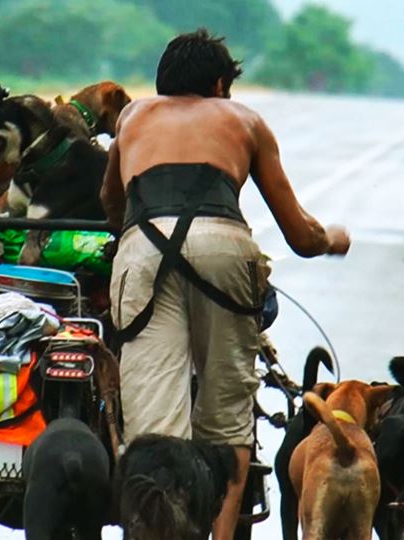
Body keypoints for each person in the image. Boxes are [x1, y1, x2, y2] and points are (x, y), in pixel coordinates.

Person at [100, 29, 350, 539]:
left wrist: (134, 240)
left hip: (143, 251)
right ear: (219, 83)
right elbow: (300, 235)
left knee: (151, 427)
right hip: (221, 247)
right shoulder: (245, 121)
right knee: (226, 414)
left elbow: (111, 203)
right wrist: (333, 239)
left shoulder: (133, 117)